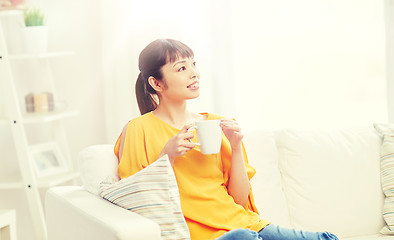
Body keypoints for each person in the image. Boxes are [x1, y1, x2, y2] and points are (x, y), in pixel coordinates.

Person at [114, 38, 339, 240]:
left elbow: (240, 201)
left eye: (194, 64)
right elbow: (136, 201)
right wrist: (167, 157)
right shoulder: (138, 129)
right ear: (156, 83)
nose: (194, 73)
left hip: (245, 225)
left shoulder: (216, 123)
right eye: (182, 68)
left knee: (327, 238)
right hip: (200, 235)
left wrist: (236, 146)